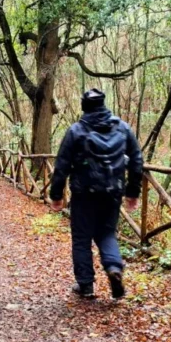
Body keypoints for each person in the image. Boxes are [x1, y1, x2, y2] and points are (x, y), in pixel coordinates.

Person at [50, 88, 143, 299]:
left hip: (84, 195)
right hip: (112, 192)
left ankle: (86, 285)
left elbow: (62, 164)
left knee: (82, 238)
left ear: (84, 107)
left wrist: (56, 195)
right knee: (107, 233)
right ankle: (113, 268)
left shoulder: (76, 131)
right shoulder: (121, 128)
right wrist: (132, 192)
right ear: (103, 104)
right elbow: (137, 160)